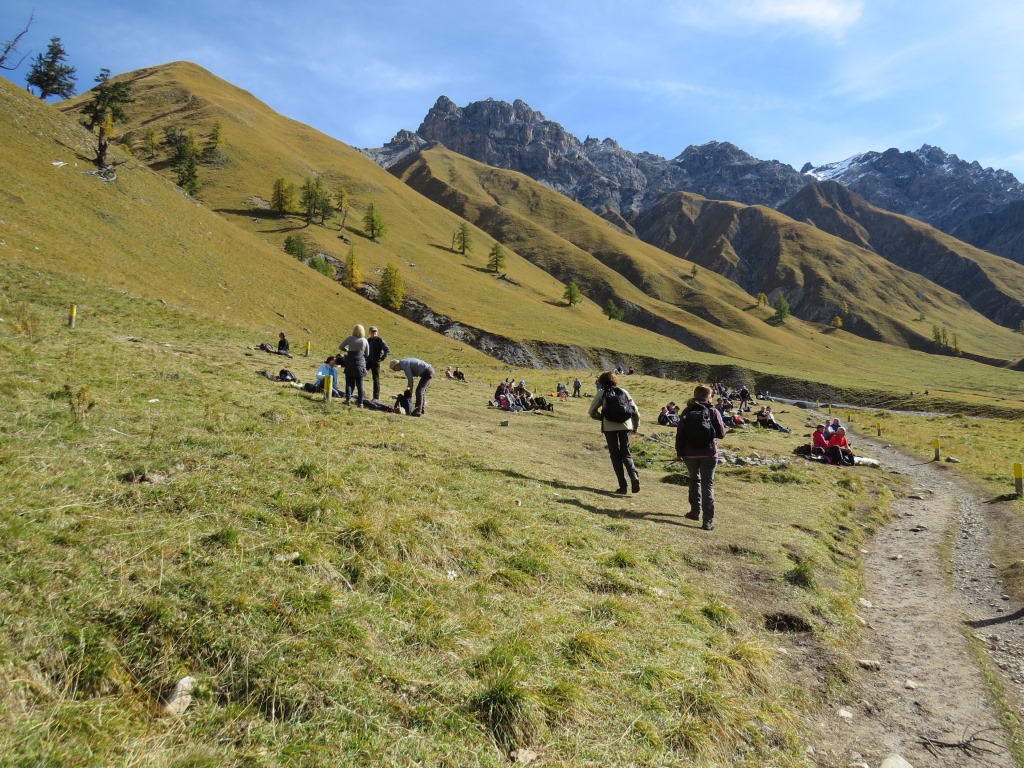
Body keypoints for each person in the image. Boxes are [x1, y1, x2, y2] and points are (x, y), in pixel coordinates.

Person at [675, 385, 727, 531]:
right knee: (707, 485)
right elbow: (721, 434)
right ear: (708, 396)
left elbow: (680, 434)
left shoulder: (687, 411)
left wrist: (679, 453)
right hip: (709, 453)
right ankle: (707, 520)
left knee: (693, 480)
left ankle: (694, 511)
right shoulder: (713, 411)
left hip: (689, 453)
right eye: (711, 395)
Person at [588, 370, 641, 494]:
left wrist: (603, 418)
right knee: (626, 453)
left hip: (609, 427)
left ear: (601, 382)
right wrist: (636, 426)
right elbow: (635, 411)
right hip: (626, 426)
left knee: (615, 456)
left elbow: (592, 412)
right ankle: (634, 475)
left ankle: (623, 486)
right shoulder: (623, 391)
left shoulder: (602, 393)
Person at [338, 324, 369, 406]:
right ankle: (360, 402)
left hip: (350, 363)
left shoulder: (350, 338)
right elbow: (367, 354)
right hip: (360, 364)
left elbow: (340, 347)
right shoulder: (364, 341)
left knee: (349, 382)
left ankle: (348, 399)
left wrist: (347, 350)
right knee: (360, 384)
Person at [366, 325, 391, 401]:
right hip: (368, 361)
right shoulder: (368, 340)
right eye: (372, 331)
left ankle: (376, 397)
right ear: (369, 332)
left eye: (375, 331)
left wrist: (382, 358)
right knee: (360, 375)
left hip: (375, 362)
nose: (374, 333)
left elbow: (387, 350)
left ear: (377, 332)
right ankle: (361, 393)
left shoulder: (380, 340)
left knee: (375, 379)